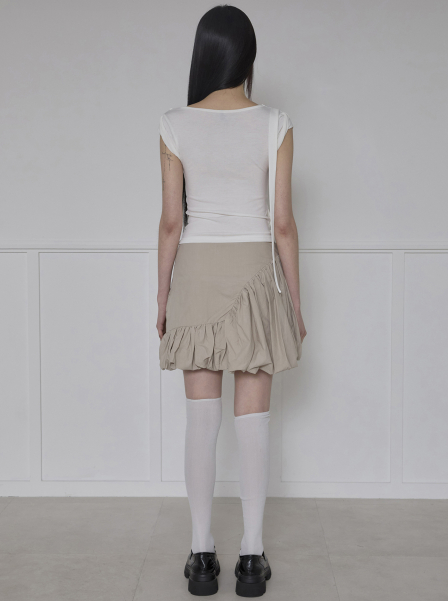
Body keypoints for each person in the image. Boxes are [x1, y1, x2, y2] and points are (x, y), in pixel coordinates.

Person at [156, 5, 306, 597]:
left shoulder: (173, 124)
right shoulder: (276, 123)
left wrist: (162, 297)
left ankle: (200, 556)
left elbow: (172, 222)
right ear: (247, 57)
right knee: (253, 419)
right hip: (254, 275)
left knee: (200, 419)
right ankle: (250, 557)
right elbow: (283, 223)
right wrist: (295, 301)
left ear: (204, 54)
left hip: (195, 274)